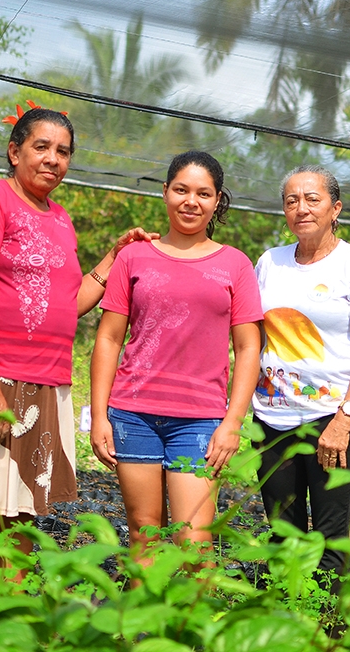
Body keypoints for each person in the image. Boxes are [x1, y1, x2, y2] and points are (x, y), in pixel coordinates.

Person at [0, 106, 155, 570]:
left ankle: (10, 625)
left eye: (64, 152)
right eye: (41, 147)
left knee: (23, 514)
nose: (53, 159)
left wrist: (113, 258)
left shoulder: (60, 218)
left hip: (45, 384)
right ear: (14, 151)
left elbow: (68, 305)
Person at [89, 151, 263, 564]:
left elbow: (248, 347)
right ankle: (134, 630)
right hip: (133, 414)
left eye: (203, 193)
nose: (191, 201)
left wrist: (232, 423)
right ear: (165, 192)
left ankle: (189, 630)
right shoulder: (133, 257)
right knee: (143, 536)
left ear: (217, 201)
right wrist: (98, 416)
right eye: (181, 190)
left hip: (200, 421)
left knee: (195, 544)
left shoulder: (235, 264)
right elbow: (110, 338)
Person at [252, 165, 350, 579]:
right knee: (282, 535)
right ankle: (282, 628)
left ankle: (325, 632)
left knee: (331, 537)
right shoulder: (270, 263)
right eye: (291, 200)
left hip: (331, 421)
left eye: (313, 199)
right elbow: (253, 341)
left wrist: (344, 419)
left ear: (335, 208)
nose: (301, 208)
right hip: (272, 418)